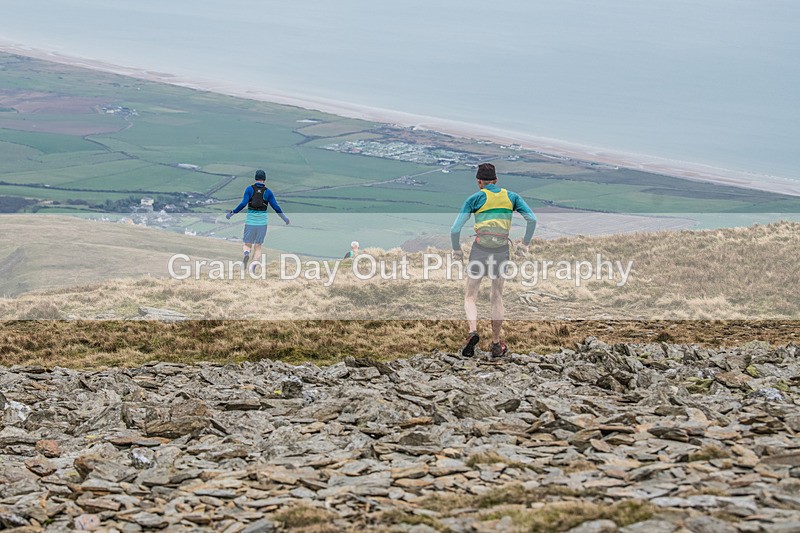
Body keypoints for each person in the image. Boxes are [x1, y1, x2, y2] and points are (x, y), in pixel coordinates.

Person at [451, 162, 537, 358]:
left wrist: (457, 250)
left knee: (470, 296)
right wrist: (525, 244)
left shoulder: (475, 198)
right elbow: (532, 220)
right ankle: (496, 344)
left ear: (479, 182)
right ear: (496, 180)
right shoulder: (511, 197)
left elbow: (455, 229)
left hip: (480, 249)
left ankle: (472, 332)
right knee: (496, 296)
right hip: (501, 250)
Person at [226, 169, 290, 272]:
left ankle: (246, 254)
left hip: (250, 222)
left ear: (255, 178)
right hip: (262, 224)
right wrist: (285, 218)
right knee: (258, 247)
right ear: (264, 179)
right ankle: (252, 269)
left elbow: (243, 204)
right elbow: (276, 207)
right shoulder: (268, 192)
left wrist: (232, 213)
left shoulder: (249, 189)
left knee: (247, 244)